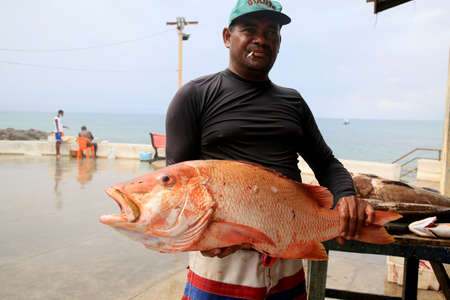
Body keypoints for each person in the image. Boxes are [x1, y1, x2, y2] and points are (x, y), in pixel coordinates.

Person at [165, 1, 375, 299]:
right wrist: (200, 237)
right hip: (221, 269)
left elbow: (326, 163)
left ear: (279, 41)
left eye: (271, 32)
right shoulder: (195, 96)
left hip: (286, 263)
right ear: (227, 36)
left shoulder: (293, 102)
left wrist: (346, 195)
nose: (261, 39)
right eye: (249, 29)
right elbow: (178, 188)